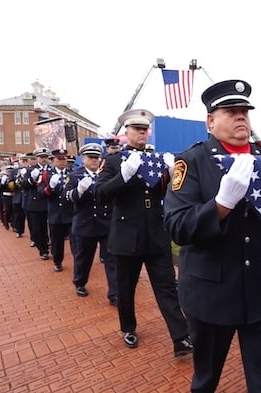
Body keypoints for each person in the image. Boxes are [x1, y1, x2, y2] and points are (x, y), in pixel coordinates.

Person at [163, 80, 261, 392]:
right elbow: (177, 226)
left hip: (260, 290)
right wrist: (220, 205)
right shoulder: (192, 161)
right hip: (212, 293)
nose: (241, 116)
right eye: (231, 111)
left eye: (244, 110)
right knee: (206, 380)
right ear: (210, 120)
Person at [95, 108, 193, 358]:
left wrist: (174, 177)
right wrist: (123, 176)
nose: (141, 133)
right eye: (136, 129)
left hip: (156, 233)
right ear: (125, 133)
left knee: (167, 286)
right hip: (127, 235)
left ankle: (180, 337)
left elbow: (169, 193)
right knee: (126, 288)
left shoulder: (159, 159)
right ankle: (128, 327)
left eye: (144, 129)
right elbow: (101, 193)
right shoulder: (114, 161)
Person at [65, 143, 117, 303]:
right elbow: (66, 197)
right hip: (85, 224)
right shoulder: (75, 176)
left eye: (96, 158)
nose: (94, 161)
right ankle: (80, 282)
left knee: (112, 260)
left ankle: (114, 293)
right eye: (91, 157)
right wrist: (78, 191)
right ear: (84, 159)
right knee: (83, 258)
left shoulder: (106, 174)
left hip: (106, 223)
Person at [40, 149, 75, 271]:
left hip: (71, 212)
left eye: (63, 159)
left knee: (76, 240)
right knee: (57, 241)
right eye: (59, 159)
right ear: (53, 160)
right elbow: (41, 193)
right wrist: (50, 187)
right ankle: (57, 261)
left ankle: (79, 262)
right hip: (56, 212)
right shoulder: (46, 174)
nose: (61, 162)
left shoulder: (73, 173)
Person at [23, 147, 51, 260]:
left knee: (52, 227)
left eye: (45, 157)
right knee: (39, 228)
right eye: (41, 157)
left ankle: (52, 245)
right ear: (37, 158)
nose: (43, 159)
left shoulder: (52, 169)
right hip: (36, 203)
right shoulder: (30, 170)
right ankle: (43, 250)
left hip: (50, 201)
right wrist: (31, 179)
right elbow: (24, 185)